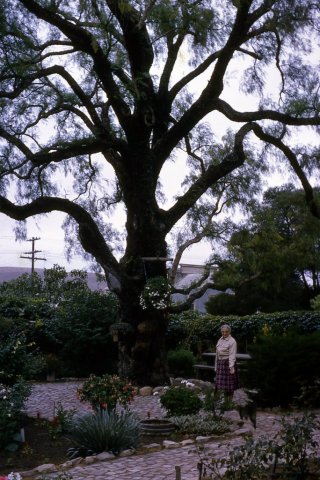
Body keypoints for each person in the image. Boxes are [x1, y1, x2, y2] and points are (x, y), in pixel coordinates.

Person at [214, 324, 239, 398]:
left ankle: (229, 402)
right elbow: (217, 354)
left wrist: (231, 367)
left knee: (229, 386)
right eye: (223, 332)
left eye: (226, 332)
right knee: (221, 385)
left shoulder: (232, 341)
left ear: (229, 332)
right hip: (220, 363)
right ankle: (222, 401)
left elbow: (232, 355)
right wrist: (216, 366)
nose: (224, 333)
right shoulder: (220, 340)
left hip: (228, 363)